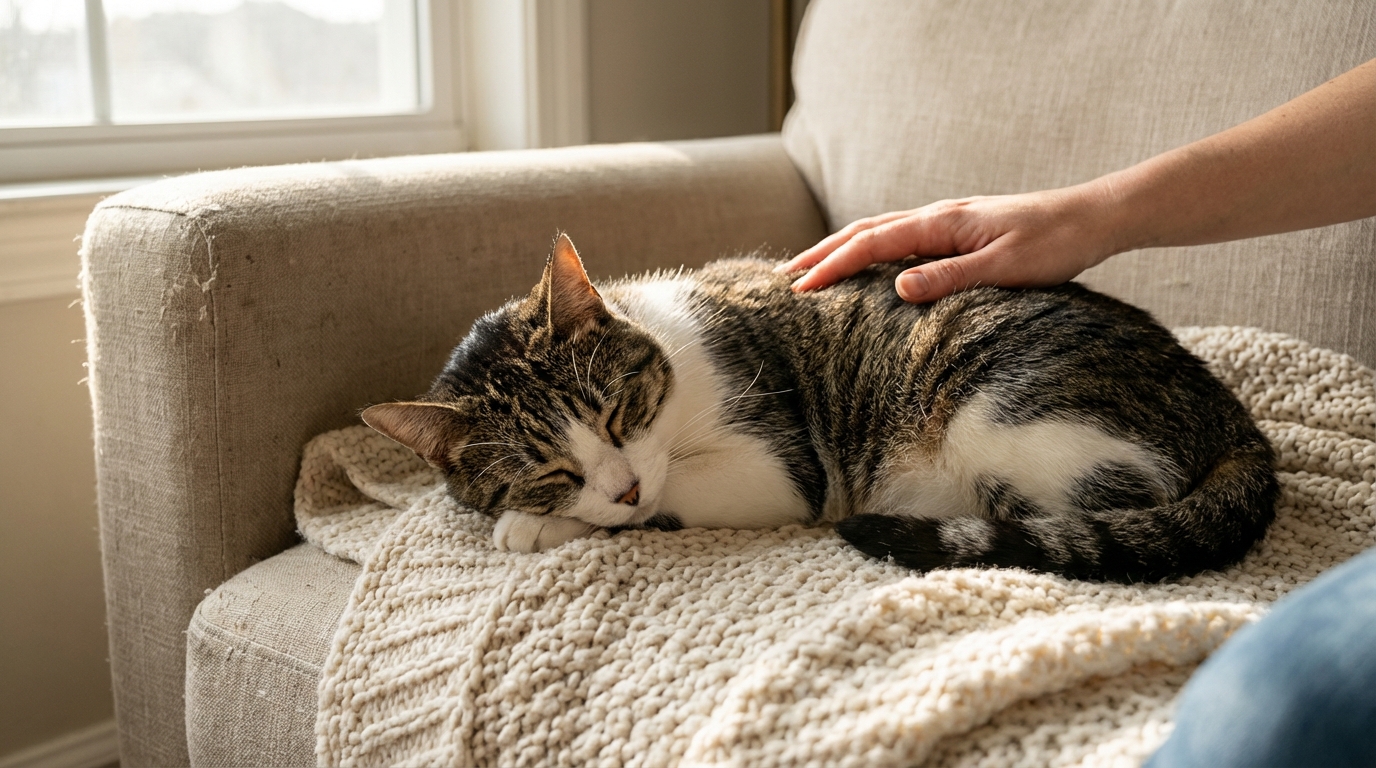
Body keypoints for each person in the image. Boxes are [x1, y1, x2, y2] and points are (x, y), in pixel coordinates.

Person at [781, 56, 1376, 768]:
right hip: (1047, 390)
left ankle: (1110, 500)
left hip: (1053, 409)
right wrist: (1096, 213)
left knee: (1266, 711)